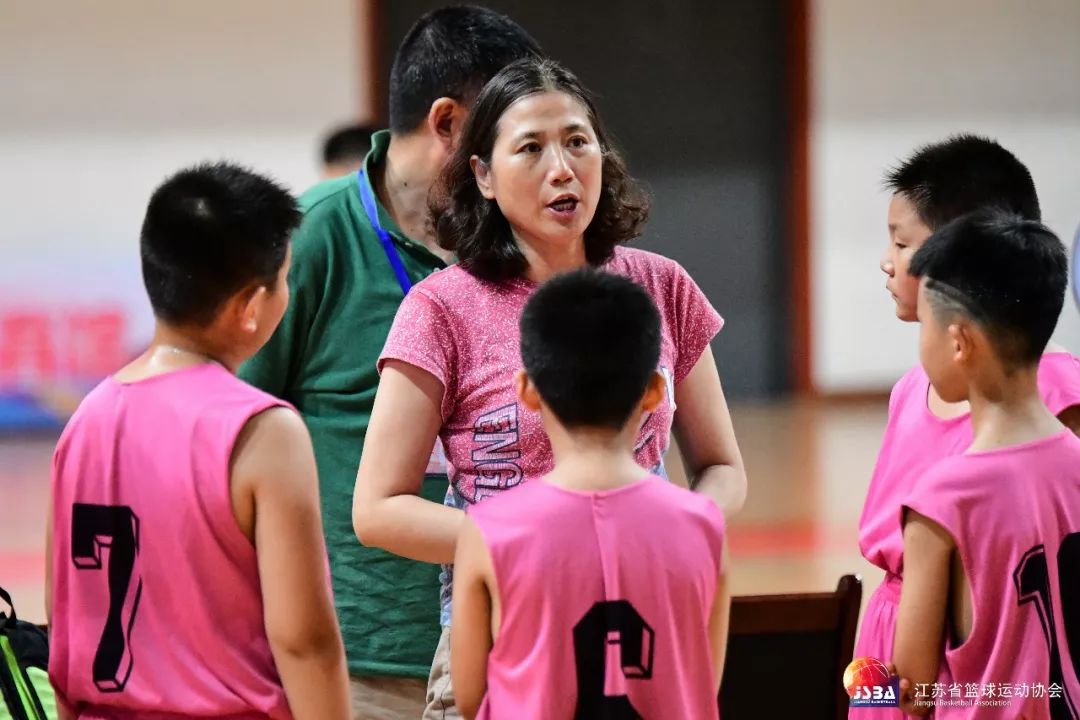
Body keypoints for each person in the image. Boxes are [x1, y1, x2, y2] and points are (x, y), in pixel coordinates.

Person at [354, 57, 746, 716]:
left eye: (576, 141)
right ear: (482, 174)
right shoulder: (440, 308)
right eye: (531, 148)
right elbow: (378, 508)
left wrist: (666, 528)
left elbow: (723, 467)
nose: (561, 168)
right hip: (505, 626)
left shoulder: (662, 285)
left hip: (642, 618)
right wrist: (531, 542)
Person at [238, 8, 541, 717]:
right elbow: (228, 439)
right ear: (447, 123)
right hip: (357, 664)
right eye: (509, 129)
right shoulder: (310, 238)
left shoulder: (528, 238)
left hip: (514, 643)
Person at [46, 162, 350, 720]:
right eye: (284, 278)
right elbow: (304, 640)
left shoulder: (83, 421)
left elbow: (67, 623)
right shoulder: (263, 430)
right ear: (251, 308)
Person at [854, 135, 1080, 719]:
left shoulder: (944, 497)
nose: (888, 259)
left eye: (904, 244)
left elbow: (915, 689)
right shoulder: (912, 390)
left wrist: (863, 686)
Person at [450, 269, 730, 719]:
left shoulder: (488, 529)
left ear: (527, 390)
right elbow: (702, 679)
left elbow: (469, 695)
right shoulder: (704, 523)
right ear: (657, 390)